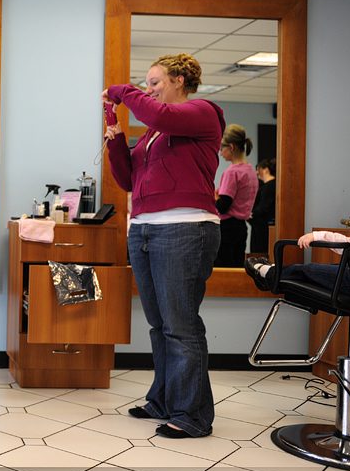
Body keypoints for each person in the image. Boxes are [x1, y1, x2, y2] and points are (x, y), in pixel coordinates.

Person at [103, 52, 224, 439]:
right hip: (144, 228)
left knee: (180, 326)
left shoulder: (202, 112)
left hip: (185, 228)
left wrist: (124, 91)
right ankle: (163, 400)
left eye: (154, 82)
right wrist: (116, 141)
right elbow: (128, 180)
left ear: (178, 81)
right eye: (145, 84)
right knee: (160, 325)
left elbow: (158, 114)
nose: (148, 89)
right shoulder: (152, 134)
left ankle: (192, 415)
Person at [245, 229, 350, 299]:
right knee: (330, 268)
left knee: (307, 270)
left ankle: (265, 273)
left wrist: (318, 236)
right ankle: (274, 270)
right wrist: (317, 236)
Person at [214, 124, 258, 266]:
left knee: (223, 270)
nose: (220, 152)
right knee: (237, 268)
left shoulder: (232, 172)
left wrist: (214, 196)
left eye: (222, 147)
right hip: (241, 228)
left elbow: (223, 206)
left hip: (227, 229)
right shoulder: (251, 171)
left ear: (231, 147)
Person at [249, 158, 276, 254]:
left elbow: (263, 207)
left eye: (258, 169)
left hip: (262, 227)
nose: (256, 172)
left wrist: (251, 214)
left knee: (260, 252)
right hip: (261, 225)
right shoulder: (268, 186)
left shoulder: (269, 187)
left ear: (266, 170)